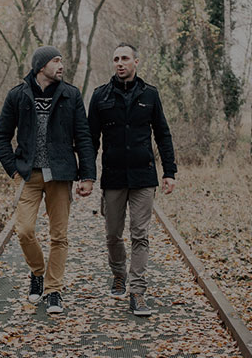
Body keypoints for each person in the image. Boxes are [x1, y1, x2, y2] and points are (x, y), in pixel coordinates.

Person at [0, 46, 96, 314]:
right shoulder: (17, 95)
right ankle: (38, 272)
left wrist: (87, 175)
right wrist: (12, 168)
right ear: (41, 66)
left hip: (60, 173)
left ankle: (53, 290)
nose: (61, 65)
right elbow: (1, 135)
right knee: (24, 230)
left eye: (62, 60)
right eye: (56, 61)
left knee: (59, 235)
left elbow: (83, 137)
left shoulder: (71, 95)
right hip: (29, 174)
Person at [88, 42, 177, 317]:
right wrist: (87, 176)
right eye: (115, 59)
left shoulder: (150, 95)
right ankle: (118, 275)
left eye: (125, 58)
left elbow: (162, 134)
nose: (119, 63)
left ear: (136, 62)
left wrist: (169, 172)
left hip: (143, 177)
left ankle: (137, 291)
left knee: (140, 234)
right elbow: (90, 139)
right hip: (113, 177)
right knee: (113, 235)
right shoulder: (100, 96)